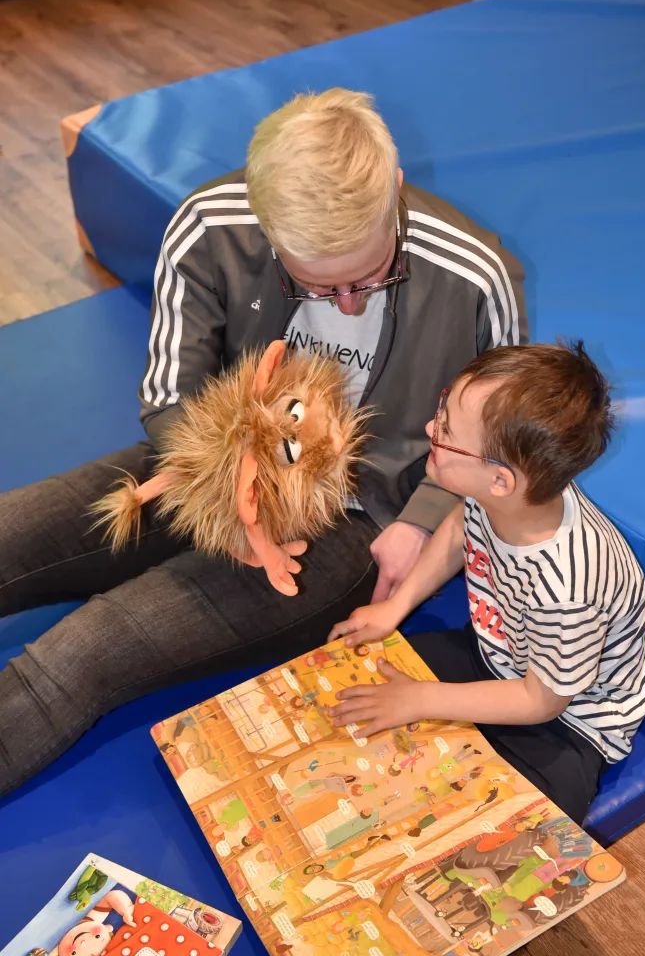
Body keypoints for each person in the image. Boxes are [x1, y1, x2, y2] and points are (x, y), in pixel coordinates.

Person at [0, 88, 527, 796]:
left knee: (86, 653)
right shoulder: (209, 224)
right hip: (213, 462)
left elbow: (496, 446)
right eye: (315, 283)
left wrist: (417, 523)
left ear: (394, 193)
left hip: (350, 521)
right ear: (266, 223)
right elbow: (168, 396)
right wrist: (234, 495)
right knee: (16, 532)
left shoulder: (476, 276)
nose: (347, 303)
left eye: (369, 279)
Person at [327, 342, 645, 824]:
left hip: (569, 720)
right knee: (356, 688)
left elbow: (541, 700)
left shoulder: (568, 588)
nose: (429, 429)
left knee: (509, 829)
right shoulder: (498, 495)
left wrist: (422, 698)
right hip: (493, 655)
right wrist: (394, 608)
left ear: (501, 480)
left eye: (446, 432)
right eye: (443, 409)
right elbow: (460, 529)